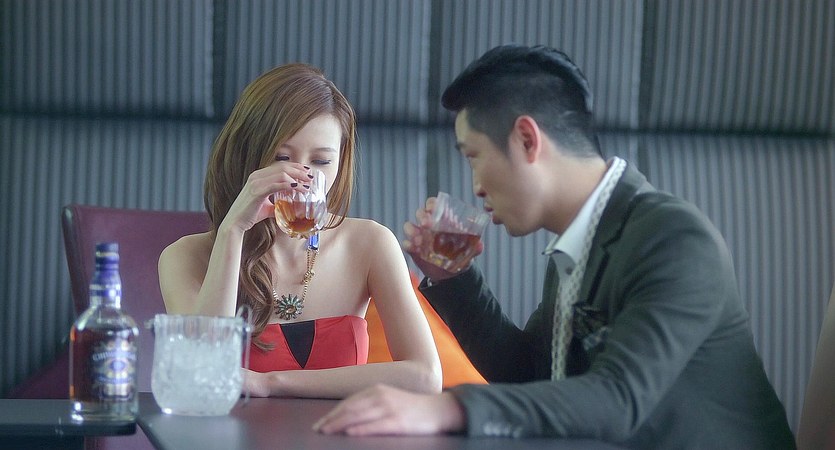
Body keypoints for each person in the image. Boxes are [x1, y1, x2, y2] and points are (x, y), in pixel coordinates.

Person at [312, 45, 795, 448]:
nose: (475, 186)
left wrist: (446, 408)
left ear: (527, 139)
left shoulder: (673, 239)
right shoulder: (579, 244)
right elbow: (529, 376)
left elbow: (618, 400)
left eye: (474, 157)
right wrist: (453, 279)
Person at [159, 63, 442, 399]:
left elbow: (425, 377)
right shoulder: (184, 257)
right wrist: (233, 231)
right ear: (246, 156)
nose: (301, 176)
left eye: (321, 162)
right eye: (281, 157)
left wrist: (269, 383)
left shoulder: (369, 244)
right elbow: (201, 376)